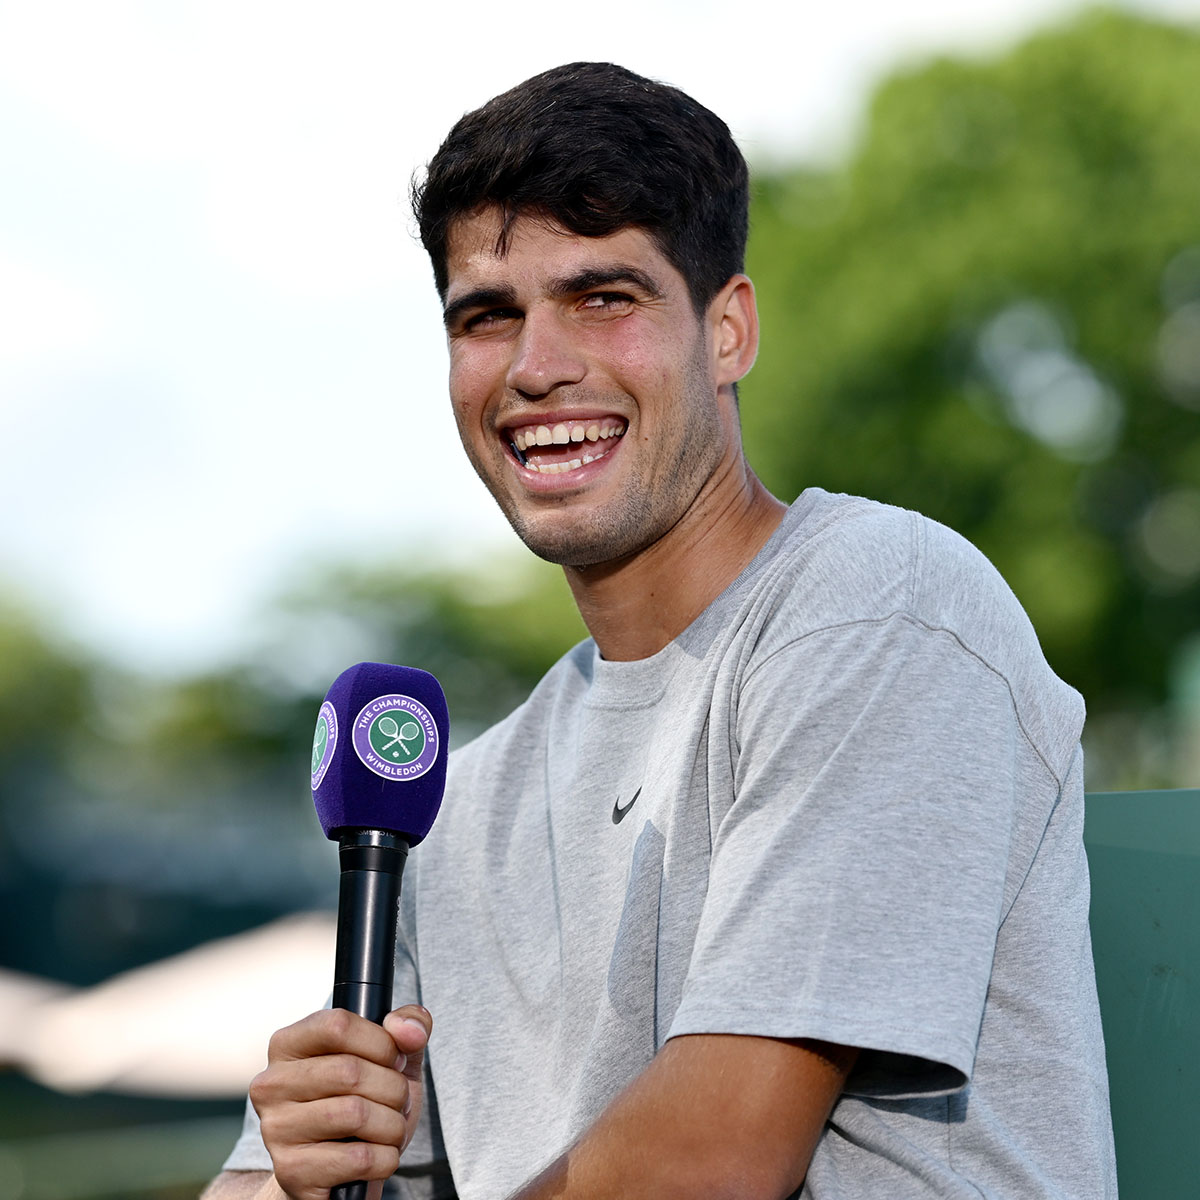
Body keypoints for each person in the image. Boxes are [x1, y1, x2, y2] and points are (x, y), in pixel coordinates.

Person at [205, 62, 1117, 1199]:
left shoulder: (881, 605)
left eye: (604, 298)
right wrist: (294, 1176)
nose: (537, 368)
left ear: (728, 331)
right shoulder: (456, 810)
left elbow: (713, 1161)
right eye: (488, 316)